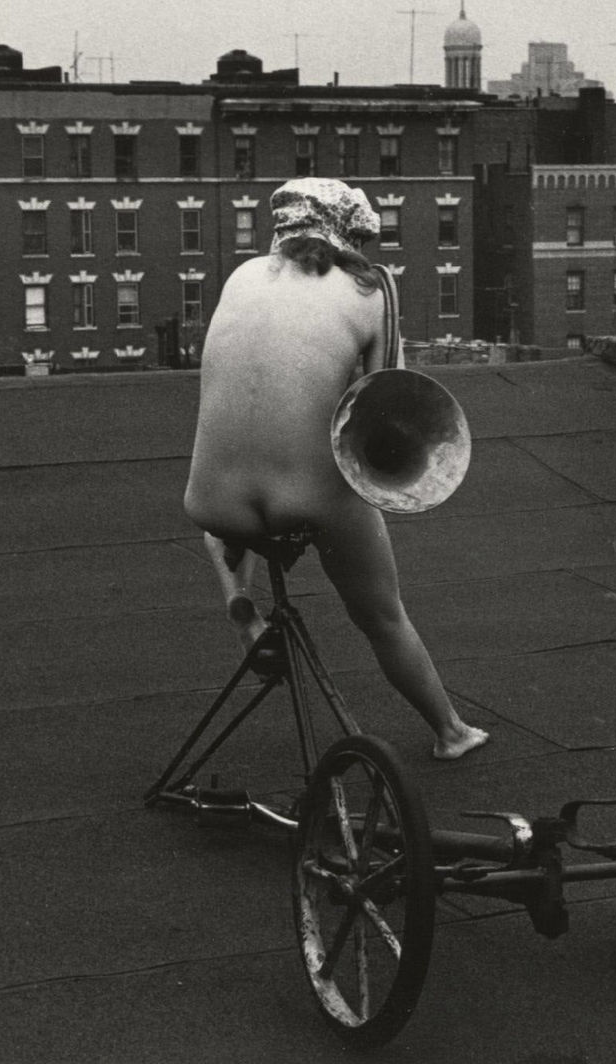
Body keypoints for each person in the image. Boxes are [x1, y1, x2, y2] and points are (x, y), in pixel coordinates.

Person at [183, 177, 489, 761]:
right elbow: (390, 401)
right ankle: (451, 732)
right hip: (310, 499)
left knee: (225, 522)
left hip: (212, 501)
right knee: (382, 614)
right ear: (351, 234)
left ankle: (242, 610)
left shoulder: (240, 277)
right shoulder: (372, 288)